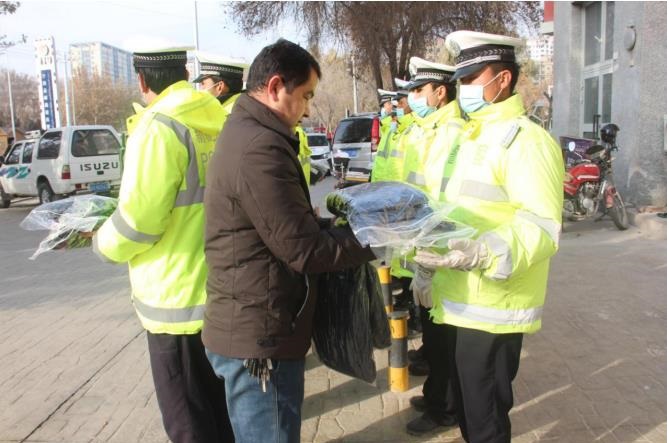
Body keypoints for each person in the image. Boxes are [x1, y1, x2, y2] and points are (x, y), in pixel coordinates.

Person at [202, 38, 375, 443]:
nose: (309, 109)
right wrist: (376, 236)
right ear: (276, 86)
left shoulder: (251, 132)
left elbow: (288, 229)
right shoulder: (259, 147)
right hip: (260, 339)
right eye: (306, 95)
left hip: (254, 323)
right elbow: (304, 250)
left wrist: (333, 225)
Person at [414, 31, 564, 443]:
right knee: (468, 412)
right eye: (460, 79)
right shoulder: (466, 137)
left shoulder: (526, 141)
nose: (463, 88)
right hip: (458, 299)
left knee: (486, 420)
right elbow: (448, 211)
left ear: (503, 79)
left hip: (495, 303)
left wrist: (485, 253)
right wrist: (426, 265)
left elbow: (542, 225)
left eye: (471, 78)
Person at [92, 44, 234, 443]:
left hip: (174, 304)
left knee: (189, 423)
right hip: (221, 294)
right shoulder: (216, 118)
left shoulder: (158, 127)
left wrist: (101, 242)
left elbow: (140, 222)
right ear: (186, 73)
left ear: (141, 80)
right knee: (222, 416)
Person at [396, 57, 464, 436]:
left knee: (444, 335)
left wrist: (433, 251)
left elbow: (445, 198)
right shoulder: (427, 130)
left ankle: (445, 408)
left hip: (440, 245)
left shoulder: (452, 132)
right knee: (434, 332)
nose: (413, 97)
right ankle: (436, 393)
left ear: (440, 92)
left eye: (419, 90)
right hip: (423, 243)